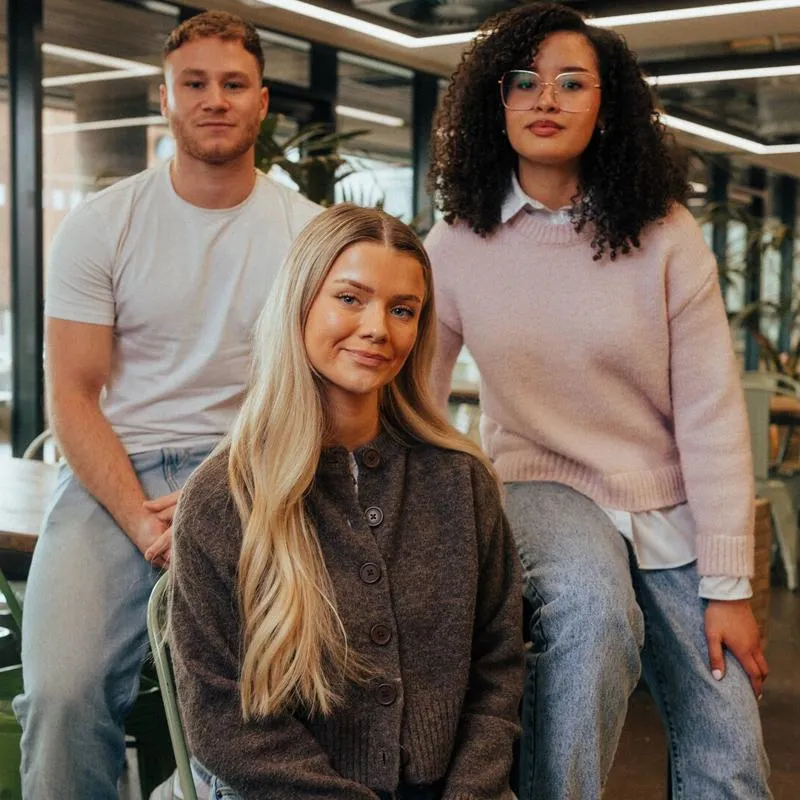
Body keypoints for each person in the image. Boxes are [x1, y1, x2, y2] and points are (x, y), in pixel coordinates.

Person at [425, 3, 772, 799]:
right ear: (496, 102)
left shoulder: (666, 234)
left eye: (572, 83)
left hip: (666, 503)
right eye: (524, 81)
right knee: (594, 613)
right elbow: (414, 397)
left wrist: (729, 588)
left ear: (606, 106)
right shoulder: (456, 243)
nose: (545, 99)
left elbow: (712, 415)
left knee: (732, 753)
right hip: (540, 485)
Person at [13, 11, 320, 798]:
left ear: (261, 103)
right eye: (195, 84)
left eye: (233, 84)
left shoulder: (309, 235)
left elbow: (313, 396)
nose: (214, 99)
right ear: (165, 98)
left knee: (269, 696)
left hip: (254, 474)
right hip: (116, 478)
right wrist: (144, 521)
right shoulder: (101, 224)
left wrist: (229, 491)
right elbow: (73, 395)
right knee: (63, 694)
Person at [168, 203, 523, 800]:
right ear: (300, 303)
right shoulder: (221, 498)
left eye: (402, 310)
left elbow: (498, 668)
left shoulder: (462, 481)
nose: (378, 328)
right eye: (351, 299)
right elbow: (222, 720)